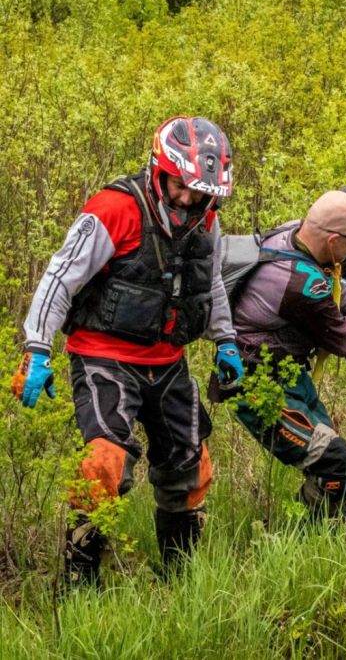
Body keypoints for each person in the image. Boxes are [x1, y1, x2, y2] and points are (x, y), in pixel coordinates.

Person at [10, 116, 243, 585]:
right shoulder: (114, 208)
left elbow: (210, 281)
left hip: (168, 361)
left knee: (191, 467)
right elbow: (60, 277)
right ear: (161, 170)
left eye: (200, 193)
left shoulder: (206, 220)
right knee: (104, 462)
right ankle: (80, 586)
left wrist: (226, 339)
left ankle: (181, 580)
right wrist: (37, 348)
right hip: (104, 356)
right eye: (181, 186)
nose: (188, 200)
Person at [218, 191, 346, 521]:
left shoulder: (295, 236)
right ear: (332, 240)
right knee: (337, 463)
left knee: (331, 462)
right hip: (257, 385)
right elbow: (345, 338)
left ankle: (317, 538)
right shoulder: (298, 283)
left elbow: (341, 291)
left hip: (288, 375)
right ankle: (299, 544)